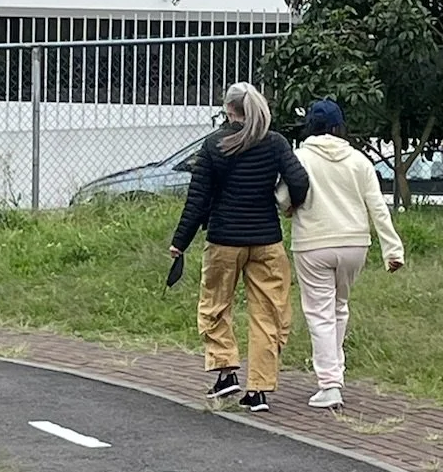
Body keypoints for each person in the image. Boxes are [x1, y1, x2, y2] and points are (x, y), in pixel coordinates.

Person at [169, 81, 310, 415]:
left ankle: (226, 371)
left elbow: (198, 200)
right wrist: (291, 206)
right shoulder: (275, 143)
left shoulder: (215, 145)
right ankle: (259, 390)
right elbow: (300, 181)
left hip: (223, 240)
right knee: (268, 314)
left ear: (228, 109)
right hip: (266, 240)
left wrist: (180, 243)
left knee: (216, 306)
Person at [288, 98, 405, 411]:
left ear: (309, 127)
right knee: (339, 307)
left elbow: (284, 198)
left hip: (313, 244)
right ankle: (334, 372)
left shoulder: (299, 158)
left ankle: (329, 384)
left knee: (319, 312)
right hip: (355, 244)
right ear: (340, 127)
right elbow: (377, 207)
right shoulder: (359, 160)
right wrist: (392, 249)